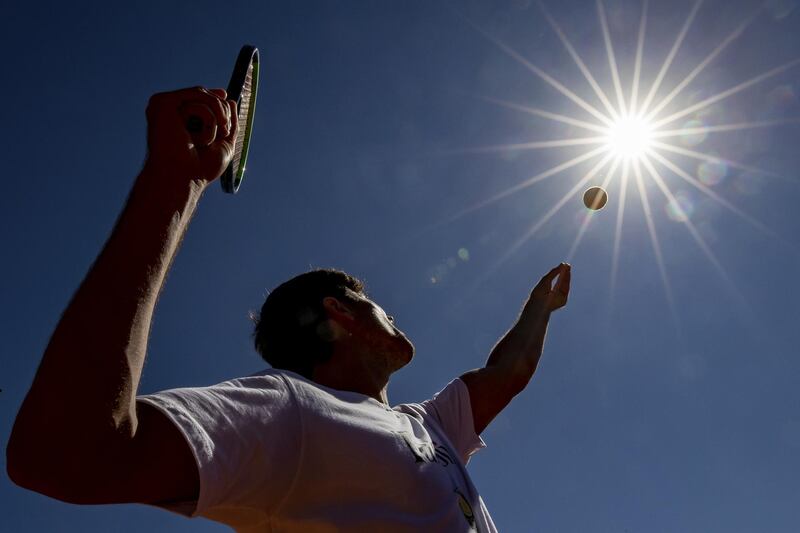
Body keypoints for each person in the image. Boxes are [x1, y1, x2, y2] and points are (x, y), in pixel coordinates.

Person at [7, 87, 571, 532]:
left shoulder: (427, 425)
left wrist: (540, 307)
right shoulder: (291, 411)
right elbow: (65, 454)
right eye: (379, 307)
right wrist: (173, 183)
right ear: (341, 315)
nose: (394, 317)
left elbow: (507, 373)